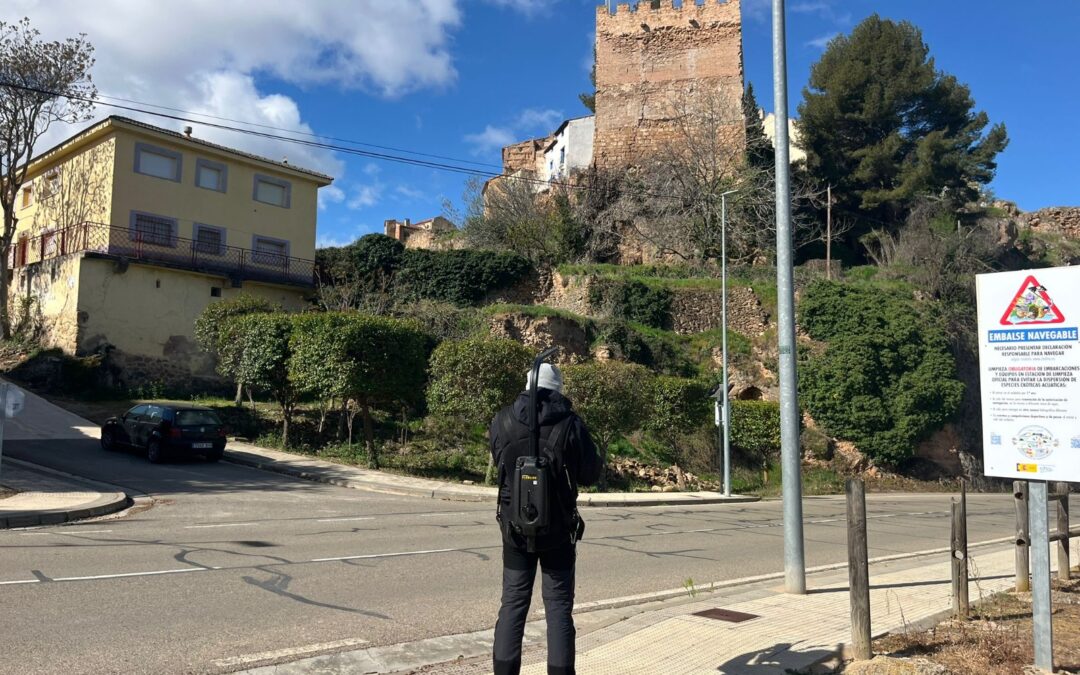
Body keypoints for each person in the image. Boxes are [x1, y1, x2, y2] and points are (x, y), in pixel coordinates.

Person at [490, 362, 601, 675]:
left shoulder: (502, 420)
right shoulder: (570, 423)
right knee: (558, 610)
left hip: (514, 529)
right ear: (558, 389)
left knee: (512, 605)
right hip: (558, 530)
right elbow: (590, 473)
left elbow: (499, 462)